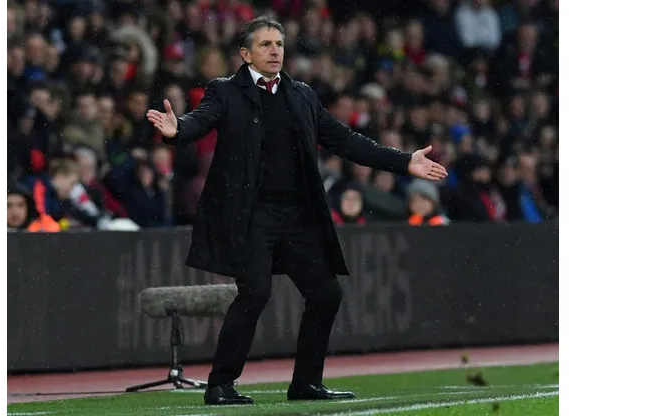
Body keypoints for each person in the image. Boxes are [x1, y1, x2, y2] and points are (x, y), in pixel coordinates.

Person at [146, 16, 448, 406]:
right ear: (245, 54)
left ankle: (305, 383)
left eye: (279, 44)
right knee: (255, 292)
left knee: (326, 294)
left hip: (297, 216)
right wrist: (178, 130)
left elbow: (344, 139)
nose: (275, 51)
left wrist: (403, 161)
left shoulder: (301, 94)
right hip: (252, 216)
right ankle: (220, 384)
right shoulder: (225, 91)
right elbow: (200, 121)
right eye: (266, 44)